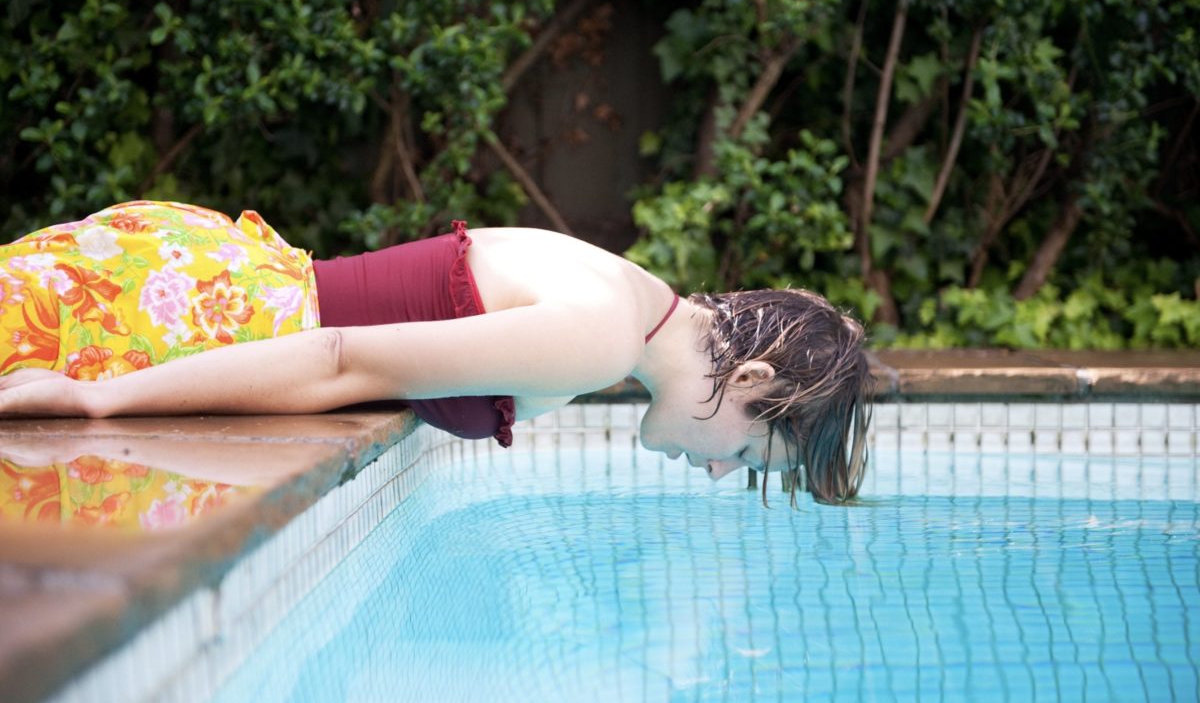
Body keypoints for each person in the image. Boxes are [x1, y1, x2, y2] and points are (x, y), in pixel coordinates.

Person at [0, 201, 871, 503]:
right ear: (749, 377)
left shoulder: (625, 301)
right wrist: (99, 405)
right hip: (202, 321)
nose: (723, 473)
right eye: (756, 455)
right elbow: (341, 359)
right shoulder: (598, 334)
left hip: (212, 292)